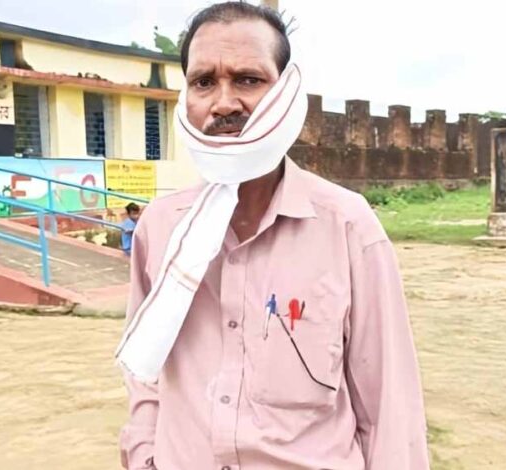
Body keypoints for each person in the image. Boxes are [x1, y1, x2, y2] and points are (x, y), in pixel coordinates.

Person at [115, 2, 430, 469]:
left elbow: (388, 402)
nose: (224, 103)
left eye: (248, 80)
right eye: (203, 82)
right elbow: (146, 366)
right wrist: (145, 452)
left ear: (285, 92)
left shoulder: (347, 226)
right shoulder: (161, 227)